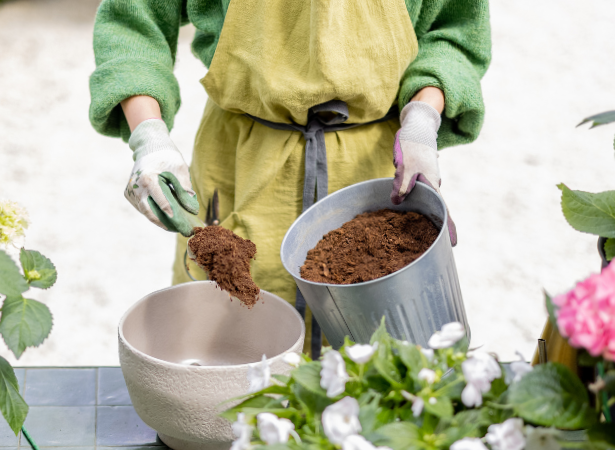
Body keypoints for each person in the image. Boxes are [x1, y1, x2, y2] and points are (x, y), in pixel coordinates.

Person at [90, 0, 490, 356]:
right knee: (232, 365)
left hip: (371, 170)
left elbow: (454, 29)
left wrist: (422, 117)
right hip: (243, 165)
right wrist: (149, 137)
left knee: (382, 376)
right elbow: (134, 19)